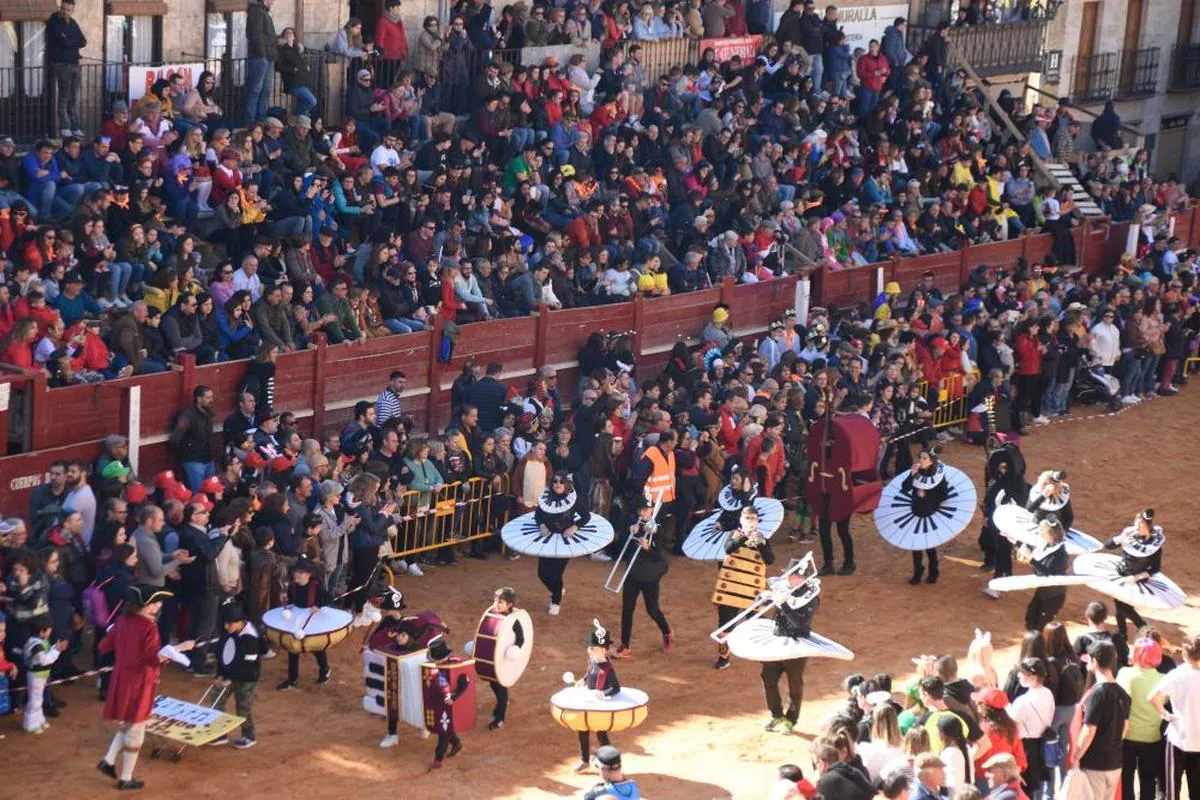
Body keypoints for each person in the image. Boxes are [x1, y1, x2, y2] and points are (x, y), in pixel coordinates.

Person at [96, 585, 195, 791]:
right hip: (140, 683)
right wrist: (178, 649)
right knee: (136, 731)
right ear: (147, 606)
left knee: (127, 725)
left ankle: (108, 761)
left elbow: (103, 646)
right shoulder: (149, 628)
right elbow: (153, 658)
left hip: (121, 680)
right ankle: (125, 778)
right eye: (156, 602)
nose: (159, 606)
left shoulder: (121, 622)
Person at [761, 558, 820, 734]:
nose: (786, 579)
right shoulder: (785, 589)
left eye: (790, 575)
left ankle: (791, 719)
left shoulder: (810, 597)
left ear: (799, 577)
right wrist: (765, 600)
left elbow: (799, 623)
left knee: (795, 684)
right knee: (768, 678)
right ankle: (776, 714)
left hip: (796, 645)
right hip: (778, 640)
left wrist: (783, 604)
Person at [712, 506, 774, 670]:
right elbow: (728, 548)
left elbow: (769, 560)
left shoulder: (763, 539)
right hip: (731, 589)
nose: (750, 522)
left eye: (753, 519)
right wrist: (743, 537)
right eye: (747, 518)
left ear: (758, 521)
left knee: (757, 623)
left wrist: (761, 543)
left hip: (751, 590)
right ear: (741, 520)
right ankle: (724, 657)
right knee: (725, 625)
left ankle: (763, 653)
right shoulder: (734, 535)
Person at [614, 495, 672, 659]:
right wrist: (629, 532)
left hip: (649, 576)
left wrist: (647, 548)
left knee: (652, 609)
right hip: (633, 572)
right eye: (641, 509)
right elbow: (622, 546)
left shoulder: (658, 528)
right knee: (627, 609)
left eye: (646, 509)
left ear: (652, 510)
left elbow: (658, 556)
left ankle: (666, 632)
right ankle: (625, 645)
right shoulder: (633, 524)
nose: (642, 512)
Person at [1070, 640, 1131, 799]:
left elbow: (1089, 731)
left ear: (1094, 661)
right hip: (1115, 763)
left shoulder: (1097, 694)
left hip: (1095, 765)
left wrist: (1076, 756)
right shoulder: (1123, 694)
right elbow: (1125, 728)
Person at [1102, 508, 1164, 639]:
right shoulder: (1129, 535)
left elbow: (1155, 568)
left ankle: (1143, 629)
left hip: (1135, 580)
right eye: (1136, 522)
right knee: (1120, 604)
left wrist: (1136, 577)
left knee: (1123, 607)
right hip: (1121, 574)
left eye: (1140, 524)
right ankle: (1125, 634)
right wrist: (1122, 537)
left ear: (1148, 526)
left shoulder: (1154, 546)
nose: (1136, 526)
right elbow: (1107, 545)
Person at [533, 471, 590, 616]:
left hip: (565, 541)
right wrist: (542, 525)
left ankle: (556, 601)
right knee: (542, 573)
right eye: (555, 481)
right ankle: (557, 590)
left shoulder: (573, 499)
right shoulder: (546, 498)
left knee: (556, 574)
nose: (557, 484)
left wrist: (574, 527)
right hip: (547, 540)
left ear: (566, 483)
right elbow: (537, 516)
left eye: (561, 482)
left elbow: (586, 516)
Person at [1117, 636, 1165, 800]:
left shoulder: (1124, 674)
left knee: (1126, 781)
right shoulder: (1163, 680)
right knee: (1148, 782)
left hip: (1127, 736)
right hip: (1152, 738)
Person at [211, 598, 262, 749]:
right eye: (225, 623)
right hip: (229, 673)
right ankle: (220, 733)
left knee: (243, 707)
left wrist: (230, 678)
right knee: (215, 699)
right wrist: (220, 675)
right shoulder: (228, 630)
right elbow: (223, 653)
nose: (227, 627)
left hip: (247, 678)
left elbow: (248, 665)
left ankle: (249, 735)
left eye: (230, 624)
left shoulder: (251, 637)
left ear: (240, 621)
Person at [572, 618, 621, 773]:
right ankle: (584, 760)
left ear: (603, 650)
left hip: (600, 707)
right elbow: (589, 676)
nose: (589, 650)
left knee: (601, 733)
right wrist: (582, 680)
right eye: (590, 647)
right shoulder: (592, 662)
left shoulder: (607, 668)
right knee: (583, 730)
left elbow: (616, 688)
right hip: (588, 703)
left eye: (593, 648)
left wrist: (603, 693)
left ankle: (611, 761)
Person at [276, 556, 332, 690]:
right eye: (296, 572)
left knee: (316, 647)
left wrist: (318, 606)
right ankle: (292, 678)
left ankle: (325, 669)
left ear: (308, 574)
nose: (297, 575)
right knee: (293, 647)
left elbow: (328, 598)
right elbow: (291, 600)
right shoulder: (293, 585)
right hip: (297, 618)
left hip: (312, 619)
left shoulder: (316, 585)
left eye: (300, 573)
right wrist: (285, 599)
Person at [482, 586, 525, 731]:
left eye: (500, 602)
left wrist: (514, 650)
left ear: (509, 604)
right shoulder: (493, 615)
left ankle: (500, 718)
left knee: (501, 688)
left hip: (504, 660)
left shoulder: (513, 620)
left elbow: (521, 639)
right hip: (493, 658)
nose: (496, 604)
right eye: (495, 601)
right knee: (493, 683)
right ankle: (502, 704)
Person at [902, 445, 946, 585]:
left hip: (930, 511)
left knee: (929, 545)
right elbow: (905, 488)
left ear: (931, 461)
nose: (921, 460)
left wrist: (926, 495)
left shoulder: (939, 476)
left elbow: (943, 494)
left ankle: (933, 571)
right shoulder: (916, 472)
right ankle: (917, 572)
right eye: (920, 458)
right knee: (916, 545)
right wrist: (911, 475)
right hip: (916, 510)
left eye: (924, 458)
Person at [1018, 515, 1069, 632]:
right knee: (1030, 619)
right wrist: (1014, 541)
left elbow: (1047, 575)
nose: (1039, 532)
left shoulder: (1060, 554)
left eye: (1042, 530)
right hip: (1043, 591)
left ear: (1051, 533)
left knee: (1041, 627)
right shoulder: (1046, 545)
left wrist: (1030, 560)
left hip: (1054, 595)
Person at [425, 635, 469, 770]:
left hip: (444, 705)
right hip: (439, 704)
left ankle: (438, 758)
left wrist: (453, 696)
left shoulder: (438, 672)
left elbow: (450, 689)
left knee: (443, 732)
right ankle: (456, 743)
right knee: (445, 728)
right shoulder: (442, 669)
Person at [47, 0, 87, 138]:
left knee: (73, 97)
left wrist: (70, 41)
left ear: (72, 10)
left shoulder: (73, 23)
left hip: (74, 63)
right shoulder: (54, 22)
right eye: (63, 9)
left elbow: (83, 41)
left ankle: (75, 127)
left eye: (68, 10)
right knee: (64, 96)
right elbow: (62, 41)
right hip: (61, 64)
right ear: (60, 8)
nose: (65, 12)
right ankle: (64, 127)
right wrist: (72, 42)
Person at [21, 614, 67, 733]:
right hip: (35, 676)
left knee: (38, 699)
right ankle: (30, 723)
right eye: (49, 630)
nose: (50, 632)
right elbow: (44, 660)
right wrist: (57, 650)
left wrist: (54, 648)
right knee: (34, 700)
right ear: (42, 631)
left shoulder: (40, 642)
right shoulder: (36, 646)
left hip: (41, 676)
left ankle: (38, 720)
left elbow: (46, 653)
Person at [245, 0, 279, 124]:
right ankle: (250, 121)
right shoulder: (256, 11)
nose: (274, 1)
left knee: (266, 90)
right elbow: (256, 35)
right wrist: (263, 54)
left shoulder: (263, 12)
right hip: (260, 57)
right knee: (255, 89)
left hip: (268, 57)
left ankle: (261, 120)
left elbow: (268, 36)